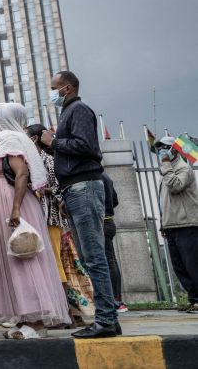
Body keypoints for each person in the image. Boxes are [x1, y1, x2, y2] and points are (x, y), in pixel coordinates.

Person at [0, 103, 71, 338]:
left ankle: (37, 323)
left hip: (14, 204)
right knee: (15, 259)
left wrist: (15, 209)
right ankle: (25, 317)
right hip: (6, 203)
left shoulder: (10, 139)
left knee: (24, 259)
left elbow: (22, 173)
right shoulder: (8, 140)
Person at [45, 70, 119, 337]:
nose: (51, 92)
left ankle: (106, 320)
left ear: (67, 88)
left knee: (95, 256)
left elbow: (87, 146)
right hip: (74, 189)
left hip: (84, 185)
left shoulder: (78, 110)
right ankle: (107, 317)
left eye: (54, 87)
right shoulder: (68, 112)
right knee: (91, 257)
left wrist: (53, 141)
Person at [156, 136, 198, 313]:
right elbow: (164, 202)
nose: (160, 152)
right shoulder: (166, 172)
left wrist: (165, 164)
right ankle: (194, 299)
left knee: (193, 265)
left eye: (164, 148)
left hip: (187, 224)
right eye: (159, 149)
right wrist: (164, 223)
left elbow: (175, 186)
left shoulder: (183, 169)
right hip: (172, 226)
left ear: (174, 149)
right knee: (179, 267)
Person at [26, 124, 68, 285]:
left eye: (26, 136)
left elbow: (59, 187)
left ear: (34, 139)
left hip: (51, 217)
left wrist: (42, 189)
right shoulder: (31, 160)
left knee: (54, 259)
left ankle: (63, 303)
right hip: (38, 216)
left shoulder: (48, 159)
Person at [100, 174, 125, 311]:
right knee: (111, 261)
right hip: (109, 221)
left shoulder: (95, 177)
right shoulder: (107, 178)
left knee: (107, 262)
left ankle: (115, 300)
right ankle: (117, 298)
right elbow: (115, 201)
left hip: (102, 222)